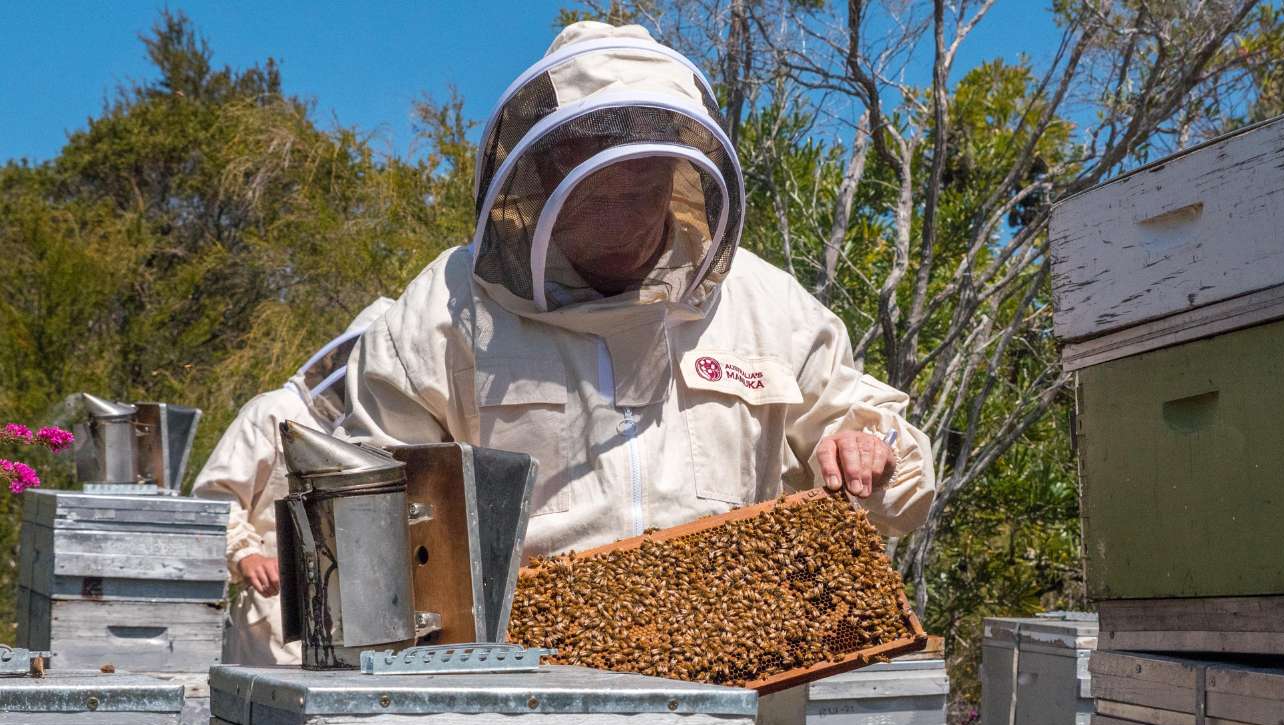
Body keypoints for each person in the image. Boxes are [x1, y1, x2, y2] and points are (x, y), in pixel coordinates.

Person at [343, 21, 934, 560]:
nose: (620, 211)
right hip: (525, 671)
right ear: (544, 168)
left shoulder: (769, 307)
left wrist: (868, 447)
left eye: (638, 186)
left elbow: (894, 477)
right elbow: (366, 510)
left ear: (677, 169)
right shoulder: (443, 313)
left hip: (737, 666)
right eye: (594, 185)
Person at [192, 298, 394, 664]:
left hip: (353, 622)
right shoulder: (273, 412)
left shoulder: (377, 433)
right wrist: (246, 554)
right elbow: (212, 497)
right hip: (271, 620)